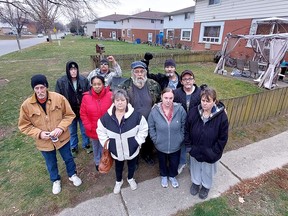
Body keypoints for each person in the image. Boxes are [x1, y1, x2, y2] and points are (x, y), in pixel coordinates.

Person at [18, 74, 82, 195]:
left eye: (42, 87)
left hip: (62, 138)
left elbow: (69, 115)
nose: (40, 91)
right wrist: (39, 133)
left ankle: (72, 174)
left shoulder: (59, 98)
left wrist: (60, 128)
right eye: (36, 88)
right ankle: (55, 180)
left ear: (46, 86)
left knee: (68, 158)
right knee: (51, 163)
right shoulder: (26, 105)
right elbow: (24, 125)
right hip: (44, 142)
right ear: (33, 89)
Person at [97, 89, 148, 194]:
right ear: (114, 102)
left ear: (127, 101)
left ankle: (130, 178)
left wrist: (137, 142)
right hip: (116, 150)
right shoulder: (106, 118)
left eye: (122, 100)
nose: (120, 103)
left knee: (132, 165)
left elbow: (144, 129)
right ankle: (118, 181)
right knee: (118, 166)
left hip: (132, 149)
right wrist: (109, 144)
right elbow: (101, 132)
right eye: (117, 100)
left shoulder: (136, 116)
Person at [184, 87, 229, 199]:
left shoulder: (221, 116)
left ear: (214, 101)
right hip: (195, 149)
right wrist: (189, 147)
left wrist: (215, 152)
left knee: (208, 170)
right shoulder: (194, 111)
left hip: (211, 151)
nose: (204, 104)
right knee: (195, 167)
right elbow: (187, 129)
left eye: (208, 101)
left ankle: (205, 186)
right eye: (203, 100)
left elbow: (223, 138)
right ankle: (195, 183)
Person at [118, 61, 161, 165]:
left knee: (148, 140)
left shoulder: (153, 85)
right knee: (133, 141)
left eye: (142, 71)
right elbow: (119, 104)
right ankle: (134, 159)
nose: (139, 74)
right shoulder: (124, 86)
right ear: (132, 73)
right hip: (132, 121)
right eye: (136, 72)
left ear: (145, 73)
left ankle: (147, 155)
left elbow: (159, 101)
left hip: (149, 120)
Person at [148, 88, 187, 188]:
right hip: (160, 144)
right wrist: (155, 139)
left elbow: (184, 125)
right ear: (161, 97)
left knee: (174, 162)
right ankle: (164, 176)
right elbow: (151, 127)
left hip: (176, 145)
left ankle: (172, 176)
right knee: (162, 162)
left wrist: (180, 138)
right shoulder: (155, 111)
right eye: (166, 98)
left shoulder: (180, 110)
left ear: (173, 98)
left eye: (170, 98)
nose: (168, 100)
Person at [55, 61, 91, 157]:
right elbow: (58, 97)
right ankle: (73, 147)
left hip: (82, 110)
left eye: (75, 69)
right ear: (68, 70)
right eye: (71, 69)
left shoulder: (83, 80)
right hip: (69, 112)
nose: (73, 71)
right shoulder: (61, 82)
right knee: (72, 131)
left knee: (84, 129)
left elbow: (88, 94)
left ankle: (86, 144)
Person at [80, 75, 112, 171]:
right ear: (91, 85)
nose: (97, 86)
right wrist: (88, 125)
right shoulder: (86, 97)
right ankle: (97, 162)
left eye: (99, 84)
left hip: (106, 128)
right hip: (93, 128)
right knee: (96, 146)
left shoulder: (110, 95)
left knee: (105, 145)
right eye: (94, 84)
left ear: (103, 84)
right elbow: (83, 113)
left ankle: (105, 161)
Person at [173, 70, 202, 174]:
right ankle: (182, 162)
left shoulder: (200, 92)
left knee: (194, 145)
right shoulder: (176, 93)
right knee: (182, 144)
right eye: (185, 79)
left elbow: (212, 100)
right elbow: (166, 101)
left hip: (195, 125)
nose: (187, 81)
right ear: (181, 81)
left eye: (190, 79)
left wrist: (222, 106)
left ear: (194, 80)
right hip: (181, 125)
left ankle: (192, 165)